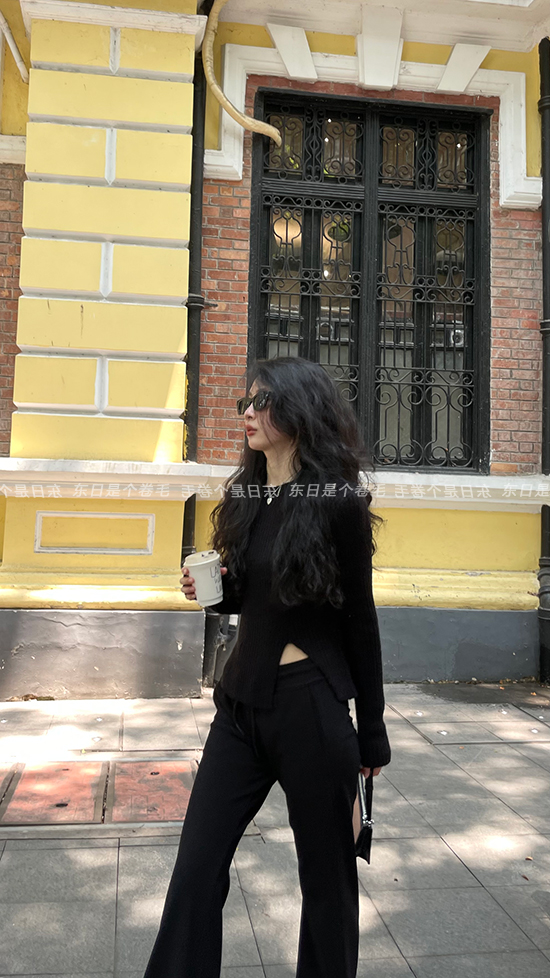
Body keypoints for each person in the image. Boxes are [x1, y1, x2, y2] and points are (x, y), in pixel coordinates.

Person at [143, 355, 391, 978]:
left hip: (311, 707)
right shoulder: (246, 496)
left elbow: (360, 620)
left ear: (299, 410)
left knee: (327, 883)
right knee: (196, 868)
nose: (247, 414)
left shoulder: (337, 502)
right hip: (240, 706)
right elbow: (250, 595)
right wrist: (213, 590)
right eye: (245, 402)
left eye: (261, 401)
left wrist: (373, 732)